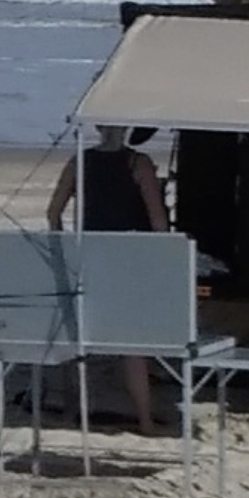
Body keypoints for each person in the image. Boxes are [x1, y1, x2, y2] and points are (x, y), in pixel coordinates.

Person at [45, 125, 169, 436]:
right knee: (132, 343)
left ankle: (71, 412)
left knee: (78, 338)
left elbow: (53, 213)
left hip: (89, 256)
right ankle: (144, 419)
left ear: (98, 128)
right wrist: (160, 259)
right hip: (129, 257)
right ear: (126, 127)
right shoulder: (138, 163)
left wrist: (64, 247)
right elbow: (158, 222)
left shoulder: (80, 162)